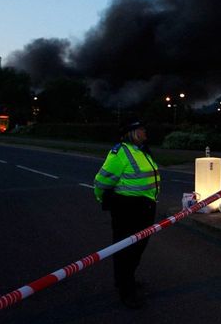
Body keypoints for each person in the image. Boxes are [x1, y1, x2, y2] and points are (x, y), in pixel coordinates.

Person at [94, 119, 160, 308]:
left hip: (146, 207)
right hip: (127, 210)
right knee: (126, 250)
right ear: (132, 133)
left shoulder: (142, 151)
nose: (145, 131)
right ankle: (126, 291)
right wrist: (104, 200)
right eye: (141, 129)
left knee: (138, 247)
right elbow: (101, 182)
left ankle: (126, 279)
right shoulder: (120, 153)